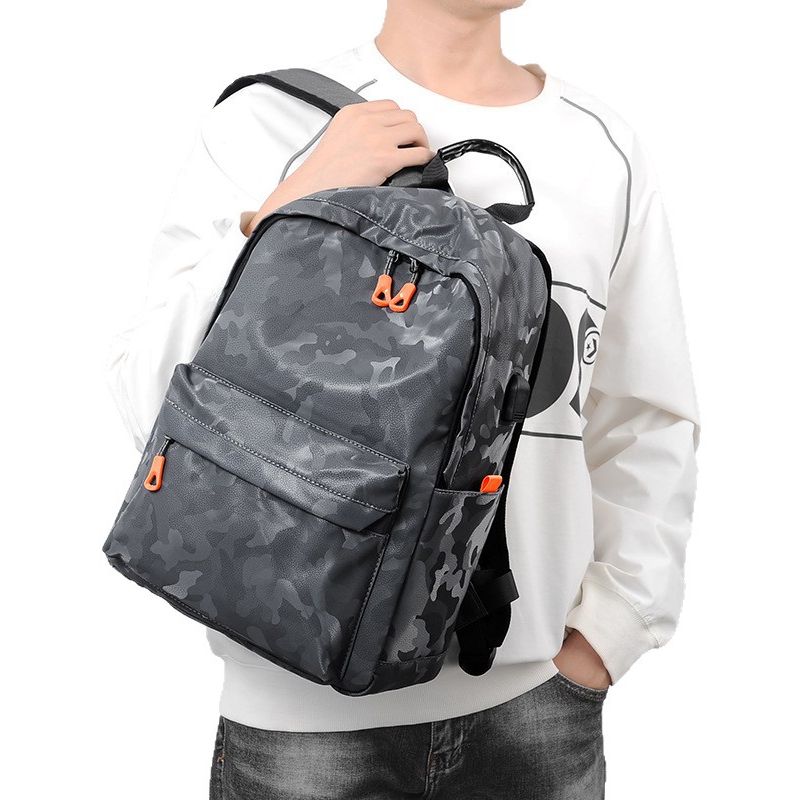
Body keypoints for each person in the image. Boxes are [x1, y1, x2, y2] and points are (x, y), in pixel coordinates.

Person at [106, 1, 701, 797]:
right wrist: (297, 201)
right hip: (298, 725)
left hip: (533, 710)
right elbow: (148, 396)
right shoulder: (272, 119)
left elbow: (643, 417)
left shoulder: (602, 147)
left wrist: (608, 638)